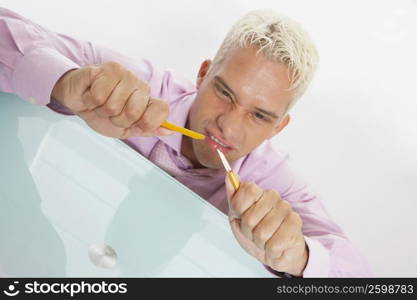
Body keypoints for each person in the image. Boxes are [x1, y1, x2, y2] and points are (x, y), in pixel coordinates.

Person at [0, 7, 372, 277]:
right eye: (224, 93)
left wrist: (298, 256)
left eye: (259, 116)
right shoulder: (138, 86)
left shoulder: (276, 183)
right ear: (203, 74)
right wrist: (67, 82)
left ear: (278, 128)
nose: (228, 124)